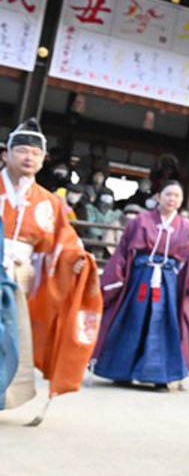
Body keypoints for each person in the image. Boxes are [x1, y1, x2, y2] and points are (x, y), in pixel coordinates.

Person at [0, 119, 100, 412]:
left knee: (12, 336)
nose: (29, 157)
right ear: (6, 154)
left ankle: (4, 393)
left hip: (22, 274)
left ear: (43, 160)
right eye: (22, 151)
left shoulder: (48, 201)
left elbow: (63, 242)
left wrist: (75, 260)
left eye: (35, 153)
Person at [91, 181, 189, 389]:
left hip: (168, 283)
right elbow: (123, 251)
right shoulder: (141, 221)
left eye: (176, 196)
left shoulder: (187, 228)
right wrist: (116, 277)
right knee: (134, 319)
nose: (172, 199)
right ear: (158, 196)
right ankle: (122, 371)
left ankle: (160, 376)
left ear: (180, 201)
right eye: (168, 194)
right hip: (140, 279)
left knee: (164, 323)